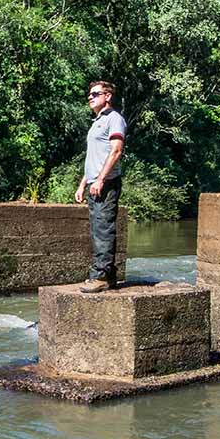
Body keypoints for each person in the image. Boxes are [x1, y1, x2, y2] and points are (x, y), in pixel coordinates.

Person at [74, 81, 126, 292]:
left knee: (103, 229)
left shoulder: (114, 119)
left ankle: (101, 276)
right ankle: (107, 275)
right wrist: (83, 183)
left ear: (108, 96)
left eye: (95, 93)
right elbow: (93, 158)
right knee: (97, 230)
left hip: (106, 184)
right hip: (94, 183)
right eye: (89, 94)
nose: (90, 97)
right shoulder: (96, 122)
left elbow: (116, 151)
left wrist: (101, 179)